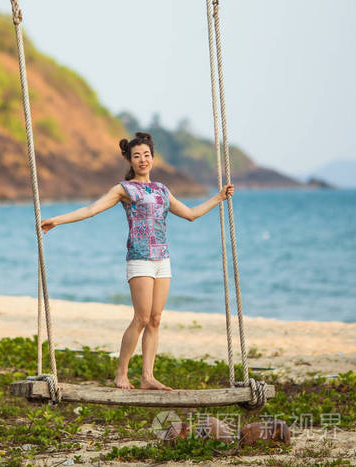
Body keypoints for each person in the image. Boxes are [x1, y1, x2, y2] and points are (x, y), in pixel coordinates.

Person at [40, 132, 234, 391]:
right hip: (140, 258)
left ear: (153, 158)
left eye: (146, 155)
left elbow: (190, 214)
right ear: (129, 161)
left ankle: (147, 377)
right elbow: (90, 210)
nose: (142, 160)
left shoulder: (162, 190)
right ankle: (121, 374)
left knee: (155, 319)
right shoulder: (125, 189)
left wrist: (219, 197)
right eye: (136, 156)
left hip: (162, 259)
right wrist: (57, 220)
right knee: (141, 317)